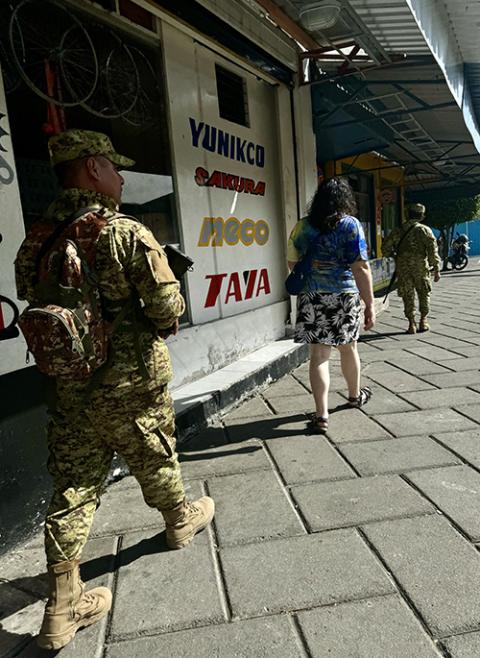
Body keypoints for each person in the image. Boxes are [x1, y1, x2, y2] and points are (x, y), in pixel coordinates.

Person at [14, 130, 214, 650]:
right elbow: (168, 308)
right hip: (131, 382)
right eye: (115, 167)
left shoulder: (34, 240)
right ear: (93, 168)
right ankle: (179, 522)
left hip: (68, 389)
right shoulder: (125, 232)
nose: (122, 178)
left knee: (74, 484)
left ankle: (61, 605)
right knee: (153, 450)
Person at [287, 177, 375, 435]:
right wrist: (369, 303)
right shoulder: (351, 225)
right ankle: (354, 396)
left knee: (319, 357)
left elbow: (293, 265)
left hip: (313, 297)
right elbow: (361, 267)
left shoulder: (303, 226)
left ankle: (321, 415)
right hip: (344, 297)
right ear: (345, 199)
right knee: (349, 349)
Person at [382, 203, 441, 333]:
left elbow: (385, 248)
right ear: (422, 216)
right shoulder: (424, 230)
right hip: (421, 267)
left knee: (407, 294)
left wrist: (396, 256)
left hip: (403, 268)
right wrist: (436, 269)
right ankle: (423, 321)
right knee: (424, 292)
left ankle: (411, 324)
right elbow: (432, 250)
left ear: (407, 214)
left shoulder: (398, 230)